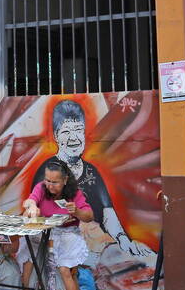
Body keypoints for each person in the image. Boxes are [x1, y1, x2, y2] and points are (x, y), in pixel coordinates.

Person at [31, 100, 154, 261]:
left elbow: (107, 214)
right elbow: (38, 217)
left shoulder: (91, 171)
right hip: (65, 246)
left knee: (146, 258)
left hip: (101, 246)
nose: (74, 137)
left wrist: (123, 240)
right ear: (56, 136)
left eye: (78, 130)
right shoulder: (47, 171)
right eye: (66, 132)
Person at [17, 158, 93, 290]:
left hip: (66, 233)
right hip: (44, 232)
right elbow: (30, 201)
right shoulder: (42, 188)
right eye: (48, 181)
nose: (50, 185)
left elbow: (89, 216)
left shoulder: (74, 193)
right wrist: (32, 206)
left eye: (55, 182)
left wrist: (76, 211)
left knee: (65, 269)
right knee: (28, 261)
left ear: (65, 180)